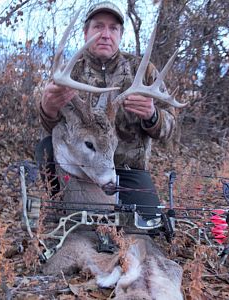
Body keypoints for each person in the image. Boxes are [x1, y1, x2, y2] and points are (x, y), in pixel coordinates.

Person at [35, 1, 176, 220]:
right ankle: (61, 204)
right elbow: (55, 131)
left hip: (129, 172)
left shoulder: (143, 71)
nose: (105, 34)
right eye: (98, 27)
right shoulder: (68, 75)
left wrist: (152, 115)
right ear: (85, 33)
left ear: (120, 34)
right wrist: (48, 109)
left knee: (150, 228)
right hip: (81, 171)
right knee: (45, 148)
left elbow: (171, 131)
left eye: (113, 28)